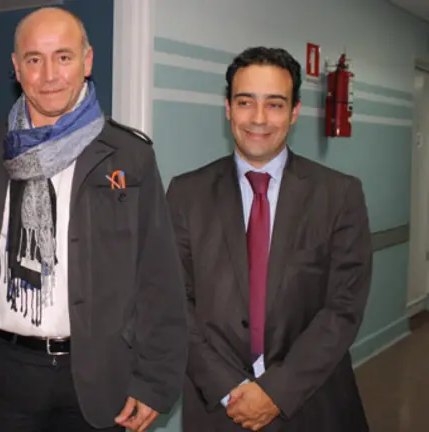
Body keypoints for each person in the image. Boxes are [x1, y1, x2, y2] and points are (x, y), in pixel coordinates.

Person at [0, 6, 187, 432]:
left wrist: (156, 380)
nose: (49, 75)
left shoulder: (129, 156)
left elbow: (159, 276)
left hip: (100, 374)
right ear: (16, 68)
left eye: (63, 57)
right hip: (2, 371)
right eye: (34, 59)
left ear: (87, 61)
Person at [166, 46, 372, 431]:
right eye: (245, 102)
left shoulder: (339, 195)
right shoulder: (185, 194)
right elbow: (175, 304)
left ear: (294, 112)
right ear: (228, 107)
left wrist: (276, 392)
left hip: (312, 403)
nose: (258, 119)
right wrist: (229, 388)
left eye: (275, 105)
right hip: (218, 407)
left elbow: (343, 308)